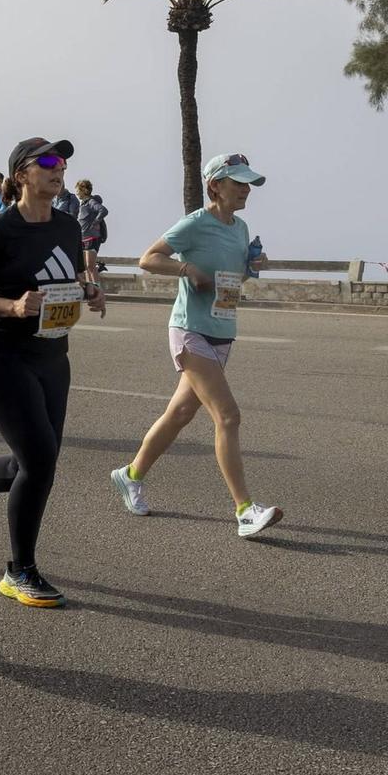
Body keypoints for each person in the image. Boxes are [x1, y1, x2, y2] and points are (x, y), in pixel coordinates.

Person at [0, 137, 104, 608]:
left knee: (34, 461)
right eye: (49, 162)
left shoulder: (68, 226)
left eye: (64, 162)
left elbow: (67, 280)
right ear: (21, 176)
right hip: (0, 352)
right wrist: (10, 305)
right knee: (38, 462)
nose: (60, 168)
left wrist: (88, 290)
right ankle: (20, 570)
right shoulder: (0, 228)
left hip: (52, 354)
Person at [110, 152, 282, 539]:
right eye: (238, 183)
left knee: (179, 414)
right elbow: (148, 259)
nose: (245, 190)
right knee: (228, 417)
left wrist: (252, 266)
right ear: (214, 186)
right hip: (190, 330)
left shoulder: (240, 228)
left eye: (248, 183)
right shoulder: (194, 223)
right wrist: (187, 269)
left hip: (223, 329)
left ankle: (130, 475)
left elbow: (235, 274)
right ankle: (244, 510)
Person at [76, 180, 108, 282]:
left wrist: (95, 222)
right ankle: (90, 289)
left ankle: (96, 288)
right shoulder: (83, 204)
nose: (76, 193)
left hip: (92, 237)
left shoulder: (91, 202)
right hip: (83, 238)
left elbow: (103, 210)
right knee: (86, 267)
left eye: (78, 190)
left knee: (90, 266)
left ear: (84, 190)